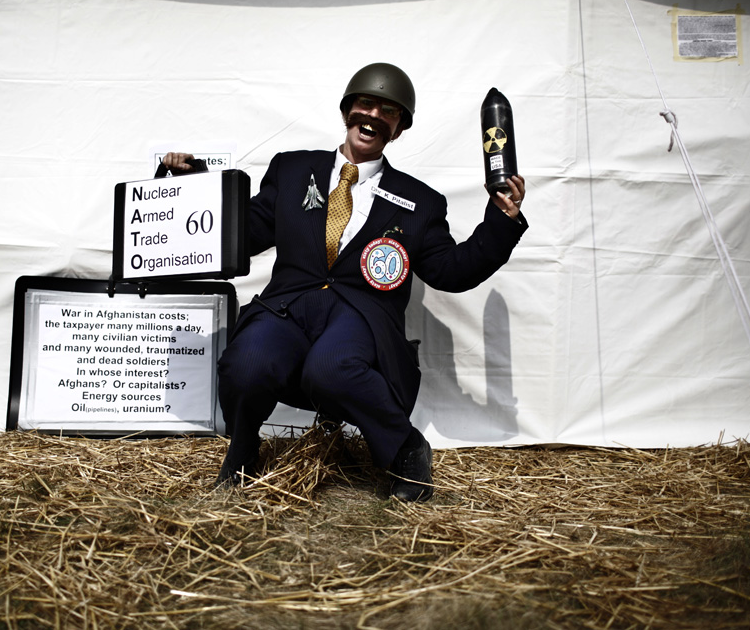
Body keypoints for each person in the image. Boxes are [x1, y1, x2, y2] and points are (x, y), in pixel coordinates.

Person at [162, 63, 527, 501]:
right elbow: (243, 235)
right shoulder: (292, 170)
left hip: (360, 315)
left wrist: (501, 221)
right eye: (366, 104)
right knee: (246, 363)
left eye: (388, 112)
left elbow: (452, 270)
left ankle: (407, 448)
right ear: (347, 111)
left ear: (398, 128)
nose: (373, 115)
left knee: (330, 368)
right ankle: (242, 452)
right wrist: (193, 187)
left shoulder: (421, 202)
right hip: (289, 307)